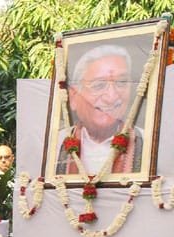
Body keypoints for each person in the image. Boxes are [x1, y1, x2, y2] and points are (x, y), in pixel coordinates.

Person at [56, 44, 142, 174]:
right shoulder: (54, 146)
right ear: (73, 97)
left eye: (121, 83)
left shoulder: (149, 143)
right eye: (99, 85)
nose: (111, 97)